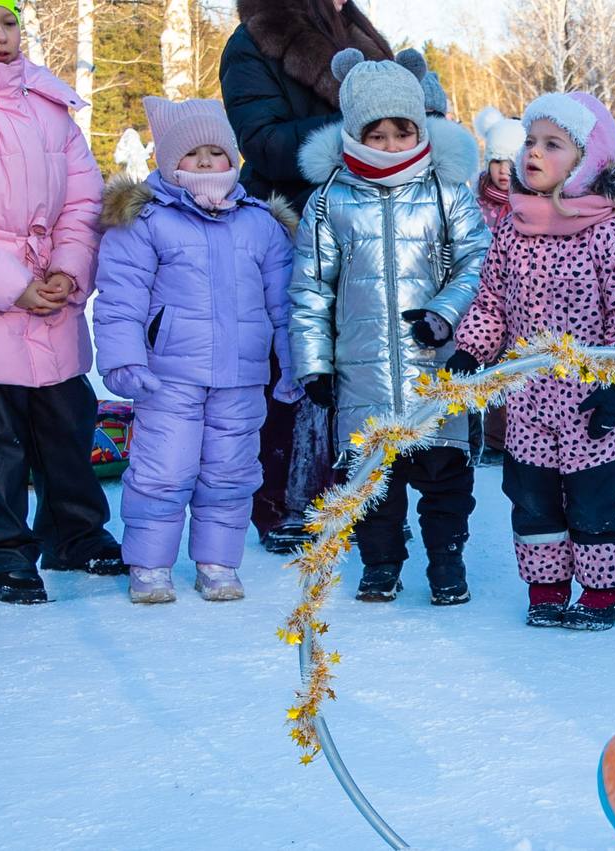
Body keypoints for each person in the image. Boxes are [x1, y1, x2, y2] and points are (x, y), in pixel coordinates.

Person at [447, 92, 615, 631]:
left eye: (552, 144)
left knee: (594, 499)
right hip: (527, 401)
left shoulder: (613, 239)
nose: (533, 152)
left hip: (589, 404)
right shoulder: (512, 233)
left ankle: (606, 591)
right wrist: (472, 347)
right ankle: (547, 586)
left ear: (588, 160)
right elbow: (492, 301)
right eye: (531, 142)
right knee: (531, 498)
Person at [290, 50, 489, 605]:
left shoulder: (447, 190)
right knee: (373, 480)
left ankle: (447, 560)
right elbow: (310, 288)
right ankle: (380, 564)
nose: (392, 145)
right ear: (354, 134)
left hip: (436, 367)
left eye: (403, 132)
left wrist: (446, 315)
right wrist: (313, 365)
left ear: (420, 128)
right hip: (360, 372)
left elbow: (478, 261)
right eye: (376, 135)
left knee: (445, 475)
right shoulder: (331, 199)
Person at [93, 97, 301, 604]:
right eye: (193, 154)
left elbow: (285, 303)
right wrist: (124, 360)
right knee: (163, 470)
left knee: (231, 473)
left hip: (242, 376)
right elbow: (122, 295)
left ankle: (218, 562)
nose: (207, 163)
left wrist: (294, 363)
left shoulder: (261, 223)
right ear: (168, 161)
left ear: (235, 159)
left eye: (217, 152)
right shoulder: (147, 220)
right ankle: (148, 565)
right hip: (168, 375)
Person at [0, 2, 125, 604]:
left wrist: (67, 270)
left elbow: (85, 201)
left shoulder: (49, 103)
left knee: (66, 424)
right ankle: (0, 550)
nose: (0, 36)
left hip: (54, 297)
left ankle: (75, 533)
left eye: (10, 22)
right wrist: (10, 284)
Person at [220, 0, 392, 555]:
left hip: (366, 224)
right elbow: (264, 144)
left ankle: (354, 496)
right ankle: (285, 503)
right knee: (293, 373)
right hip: (290, 226)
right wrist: (360, 126)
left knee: (357, 371)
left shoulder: (362, 33)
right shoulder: (255, 38)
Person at [470, 107, 526, 466]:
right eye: (497, 161)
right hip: (486, 297)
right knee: (490, 370)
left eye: (511, 161)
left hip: (522, 299)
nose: (504, 170)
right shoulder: (477, 204)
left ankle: (518, 433)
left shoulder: (530, 203)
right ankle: (492, 438)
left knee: (518, 369)